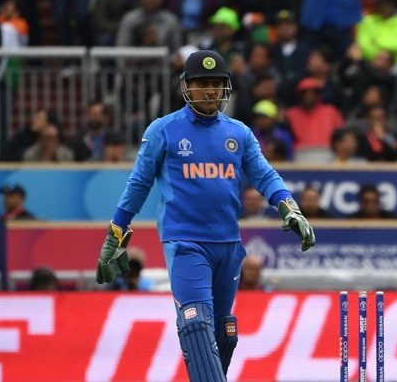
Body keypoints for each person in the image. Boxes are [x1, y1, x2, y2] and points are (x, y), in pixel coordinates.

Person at [94, 50, 315, 382]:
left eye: (216, 84)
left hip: (228, 245)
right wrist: (115, 235)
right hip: (185, 242)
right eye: (202, 84)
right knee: (196, 324)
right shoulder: (164, 130)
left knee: (223, 333)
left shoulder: (238, 133)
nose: (210, 91)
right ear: (186, 86)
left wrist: (289, 206)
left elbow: (265, 175)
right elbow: (139, 184)